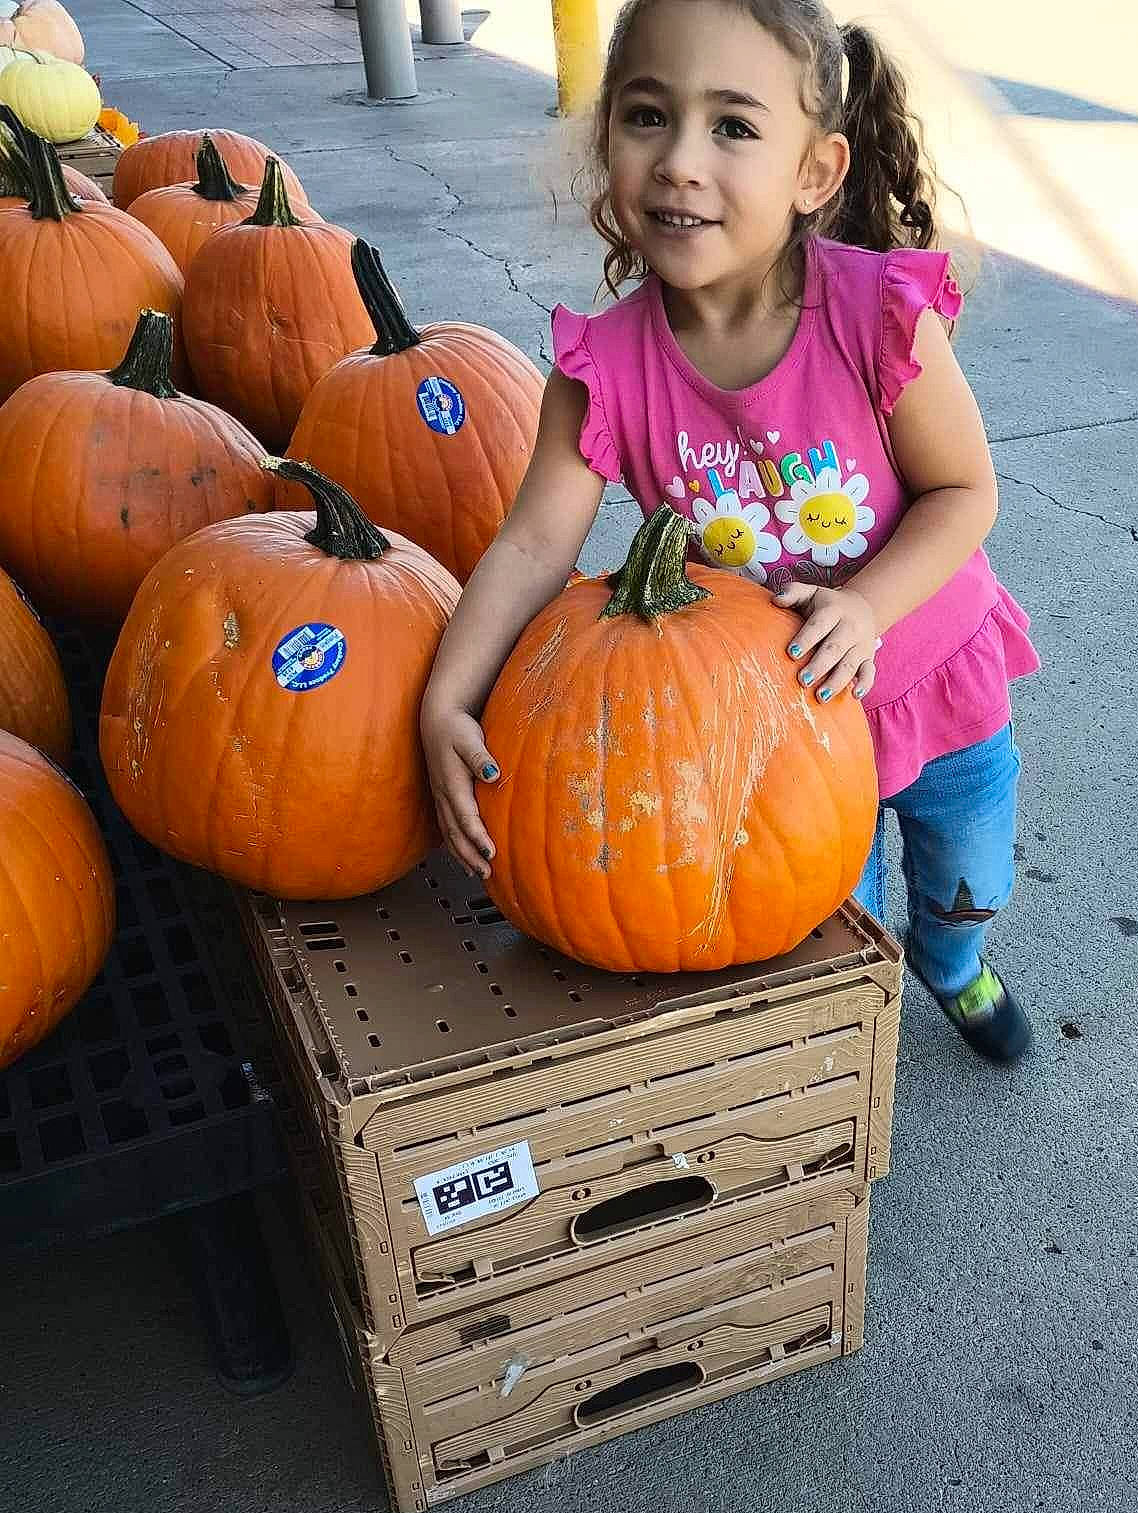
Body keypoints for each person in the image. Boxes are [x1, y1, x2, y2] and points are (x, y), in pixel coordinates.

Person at [421, 0, 1041, 1062]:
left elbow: (963, 494)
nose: (679, 162)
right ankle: (856, 1073)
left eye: (734, 127)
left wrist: (867, 603)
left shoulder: (880, 313)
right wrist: (447, 694)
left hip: (936, 676)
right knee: (820, 927)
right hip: (778, 729)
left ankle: (953, 962)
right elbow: (533, 547)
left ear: (815, 171)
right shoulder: (603, 368)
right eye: (648, 116)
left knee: (968, 871)